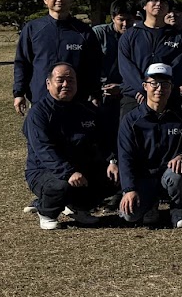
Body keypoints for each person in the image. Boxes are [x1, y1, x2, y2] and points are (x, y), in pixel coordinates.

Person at [23, 63, 115, 229]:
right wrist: (68, 172)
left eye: (71, 80)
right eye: (60, 80)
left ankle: (79, 207)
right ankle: (46, 211)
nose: (66, 85)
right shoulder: (39, 114)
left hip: (81, 167)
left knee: (115, 176)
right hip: (45, 170)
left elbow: (103, 139)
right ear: (48, 83)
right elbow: (44, 150)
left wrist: (112, 161)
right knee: (62, 185)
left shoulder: (86, 109)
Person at [117, 63, 182, 228]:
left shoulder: (181, 118)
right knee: (129, 216)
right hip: (143, 180)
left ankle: (177, 209)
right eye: (154, 83)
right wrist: (129, 189)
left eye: (165, 84)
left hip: (169, 177)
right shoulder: (131, 120)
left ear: (171, 88)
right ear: (145, 86)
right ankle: (150, 205)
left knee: (178, 171)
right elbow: (125, 157)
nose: (159, 88)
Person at [14, 0, 102, 113]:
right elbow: (22, 62)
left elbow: (94, 66)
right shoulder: (33, 29)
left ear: (71, 0)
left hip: (77, 100)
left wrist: (95, 93)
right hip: (41, 99)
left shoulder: (83, 31)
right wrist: (19, 93)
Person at [117, 0, 182, 116]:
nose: (159, 4)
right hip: (135, 96)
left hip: (166, 96)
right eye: (154, 0)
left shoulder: (178, 37)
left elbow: (178, 66)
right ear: (144, 6)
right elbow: (126, 67)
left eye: (163, 2)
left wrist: (158, 88)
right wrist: (143, 88)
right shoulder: (130, 35)